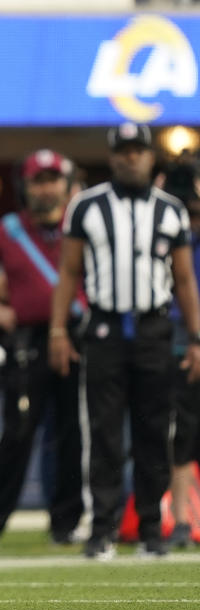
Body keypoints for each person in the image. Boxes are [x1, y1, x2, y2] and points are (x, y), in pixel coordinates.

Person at [50, 123, 200, 559]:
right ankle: (103, 530)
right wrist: (58, 330)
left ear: (150, 157)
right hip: (104, 328)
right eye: (123, 151)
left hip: (154, 329)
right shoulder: (86, 205)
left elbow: (185, 280)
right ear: (112, 157)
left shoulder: (170, 210)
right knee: (104, 432)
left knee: (155, 431)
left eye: (138, 151)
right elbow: (68, 272)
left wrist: (195, 338)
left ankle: (152, 529)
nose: (130, 158)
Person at [0, 150, 86, 547]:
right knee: (18, 432)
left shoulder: (82, 225)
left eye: (53, 179)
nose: (46, 187)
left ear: (66, 184)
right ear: (26, 187)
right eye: (39, 180)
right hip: (27, 341)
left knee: (72, 434)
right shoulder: (7, 230)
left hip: (77, 338)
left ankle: (66, 524)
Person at [159, 153, 200, 549]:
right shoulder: (168, 224)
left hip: (186, 336)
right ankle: (183, 520)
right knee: (182, 434)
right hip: (180, 338)